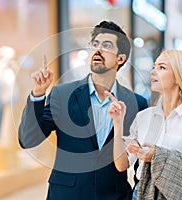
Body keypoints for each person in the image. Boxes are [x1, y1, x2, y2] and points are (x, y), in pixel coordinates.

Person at [18, 21, 148, 200]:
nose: (98, 50)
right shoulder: (62, 95)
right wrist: (38, 95)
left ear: (121, 58)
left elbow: (140, 165)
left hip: (115, 196)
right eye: (95, 44)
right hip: (67, 194)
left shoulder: (137, 104)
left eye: (107, 45)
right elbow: (28, 139)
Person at [106, 50, 182, 199]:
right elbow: (122, 165)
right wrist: (118, 122)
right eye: (154, 66)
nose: (153, 72)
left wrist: (158, 157)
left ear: (179, 76)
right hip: (141, 193)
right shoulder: (144, 117)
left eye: (162, 67)